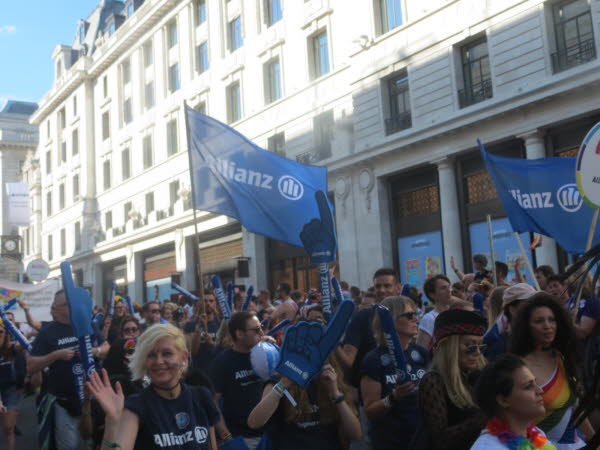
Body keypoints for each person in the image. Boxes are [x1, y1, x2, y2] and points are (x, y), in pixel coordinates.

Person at [87, 324, 220, 449]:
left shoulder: (201, 396)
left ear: (183, 358)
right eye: (151, 355)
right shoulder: (136, 406)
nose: (159, 361)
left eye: (167, 353)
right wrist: (112, 421)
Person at [509, 293, 594, 447]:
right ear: (526, 327)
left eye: (552, 319)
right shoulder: (519, 366)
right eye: (539, 321)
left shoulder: (560, 358)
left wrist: (592, 438)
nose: (548, 326)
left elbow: (573, 404)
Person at [360, 296, 430, 449]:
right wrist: (393, 397)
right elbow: (370, 411)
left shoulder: (422, 354)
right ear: (391, 320)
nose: (416, 319)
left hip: (422, 440)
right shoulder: (374, 359)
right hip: (391, 442)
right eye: (409, 315)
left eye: (416, 314)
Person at [247, 356, 361, 449]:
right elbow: (254, 422)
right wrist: (283, 384)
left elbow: (355, 434)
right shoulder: (278, 382)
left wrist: (335, 393)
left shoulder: (331, 381)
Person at [414, 308, 488, 450]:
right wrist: (485, 417)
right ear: (448, 346)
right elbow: (440, 440)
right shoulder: (433, 381)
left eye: (480, 345)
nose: (477, 353)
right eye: (470, 346)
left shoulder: (479, 375)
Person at [27, 290, 84, 450]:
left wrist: (96, 351)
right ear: (56, 308)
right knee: (69, 446)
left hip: (91, 399)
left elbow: (106, 347)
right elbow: (31, 365)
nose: (71, 306)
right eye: (66, 304)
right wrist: (55, 355)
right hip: (64, 402)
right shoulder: (47, 331)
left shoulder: (85, 324)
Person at [209, 311, 267, 449]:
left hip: (267, 434)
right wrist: (226, 436)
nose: (262, 332)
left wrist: (274, 350)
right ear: (239, 334)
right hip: (240, 437)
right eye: (256, 329)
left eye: (262, 327)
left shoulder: (266, 354)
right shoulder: (223, 361)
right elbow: (212, 403)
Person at [471, 354, 551, 449]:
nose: (540, 390)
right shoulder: (487, 447)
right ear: (503, 400)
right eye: (528, 386)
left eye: (535, 383)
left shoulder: (537, 434)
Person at [340, 268, 401, 387]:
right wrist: (334, 341)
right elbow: (348, 361)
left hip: (403, 388)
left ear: (398, 288)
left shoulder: (408, 315)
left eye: (387, 286)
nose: (382, 290)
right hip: (369, 389)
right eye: (378, 286)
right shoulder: (363, 317)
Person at [484, 283, 536, 362]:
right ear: (512, 309)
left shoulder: (538, 336)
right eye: (528, 304)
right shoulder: (499, 345)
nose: (536, 308)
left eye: (535, 303)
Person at [0, 319, 26, 450]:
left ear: (6, 334)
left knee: (8, 428)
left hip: (9, 390)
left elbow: (24, 344)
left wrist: (10, 325)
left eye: (0, 332)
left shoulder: (11, 348)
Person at [417, 274, 451, 349]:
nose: (449, 291)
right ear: (432, 294)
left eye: (449, 287)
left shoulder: (457, 313)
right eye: (443, 288)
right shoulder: (429, 319)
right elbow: (421, 350)